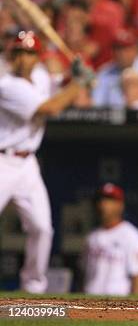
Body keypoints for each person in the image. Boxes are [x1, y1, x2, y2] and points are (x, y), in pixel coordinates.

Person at [0, 31, 94, 293]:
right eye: (18, 53)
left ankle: (33, 286)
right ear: (11, 56)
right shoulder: (7, 85)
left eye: (29, 53)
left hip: (28, 164)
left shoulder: (40, 77)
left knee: (42, 227)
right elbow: (50, 108)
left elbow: (58, 84)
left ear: (37, 57)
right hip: (3, 162)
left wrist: (73, 73)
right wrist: (79, 82)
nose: (22, 58)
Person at [83, 183, 138, 296]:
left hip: (117, 304)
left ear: (120, 205)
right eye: (101, 199)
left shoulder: (132, 235)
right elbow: (83, 273)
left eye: (110, 200)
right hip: (88, 301)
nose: (103, 204)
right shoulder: (92, 237)